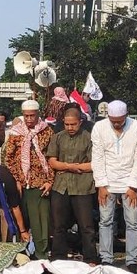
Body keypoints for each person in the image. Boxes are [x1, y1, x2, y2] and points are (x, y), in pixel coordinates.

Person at [91, 100, 137, 272]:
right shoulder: (99, 128)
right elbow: (98, 157)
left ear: (126, 115)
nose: (116, 123)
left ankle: (132, 260)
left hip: (130, 182)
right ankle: (107, 258)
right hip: (107, 182)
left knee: (132, 222)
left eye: (120, 120)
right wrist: (101, 184)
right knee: (105, 221)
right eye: (113, 120)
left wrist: (133, 186)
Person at [46, 108, 99, 264]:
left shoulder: (89, 138)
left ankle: (90, 258)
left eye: (73, 124)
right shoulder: (57, 137)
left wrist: (70, 167)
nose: (70, 128)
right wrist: (70, 166)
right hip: (60, 186)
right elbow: (52, 161)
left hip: (83, 186)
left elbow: (92, 164)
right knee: (59, 225)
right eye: (67, 124)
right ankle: (58, 257)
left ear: (80, 122)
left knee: (86, 225)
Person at [4, 100, 54, 259]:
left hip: (40, 183)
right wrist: (17, 179)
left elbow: (52, 157)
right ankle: (21, 253)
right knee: (21, 220)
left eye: (32, 115)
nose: (29, 119)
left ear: (38, 114)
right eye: (26, 116)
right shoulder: (15, 132)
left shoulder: (47, 131)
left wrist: (50, 180)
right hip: (21, 184)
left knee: (41, 221)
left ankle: (41, 254)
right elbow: (9, 158)